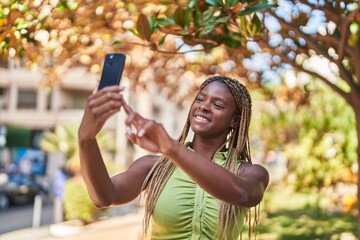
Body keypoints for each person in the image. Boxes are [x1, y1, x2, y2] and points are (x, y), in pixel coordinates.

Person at [78, 75, 269, 240]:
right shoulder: (154, 167)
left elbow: (244, 195)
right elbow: (103, 197)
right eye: (200, 100)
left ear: (234, 120)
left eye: (217, 104)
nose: (204, 107)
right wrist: (86, 139)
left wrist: (169, 147)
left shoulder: (250, 173)